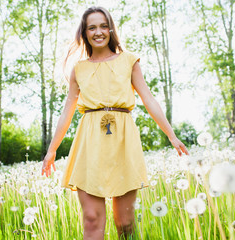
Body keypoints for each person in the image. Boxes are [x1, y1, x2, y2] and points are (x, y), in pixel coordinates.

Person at [41, 6, 189, 240]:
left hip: (123, 141)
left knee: (126, 222)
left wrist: (171, 135)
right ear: (84, 32)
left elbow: (148, 98)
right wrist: (51, 151)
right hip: (89, 143)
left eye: (102, 26)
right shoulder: (78, 69)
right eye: (92, 27)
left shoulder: (129, 61)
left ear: (110, 29)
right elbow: (66, 111)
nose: (98, 32)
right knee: (92, 219)